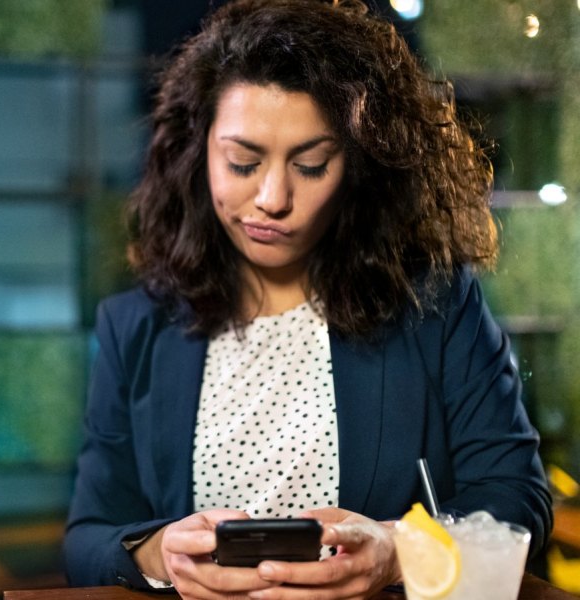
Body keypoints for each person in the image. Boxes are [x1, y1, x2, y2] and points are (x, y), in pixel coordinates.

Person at [63, 0, 553, 597]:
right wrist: (160, 554)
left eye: (312, 165)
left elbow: (517, 501)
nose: (273, 197)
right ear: (200, 154)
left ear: (359, 166)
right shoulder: (133, 326)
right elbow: (88, 536)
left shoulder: (435, 308)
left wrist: (397, 551)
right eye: (243, 162)